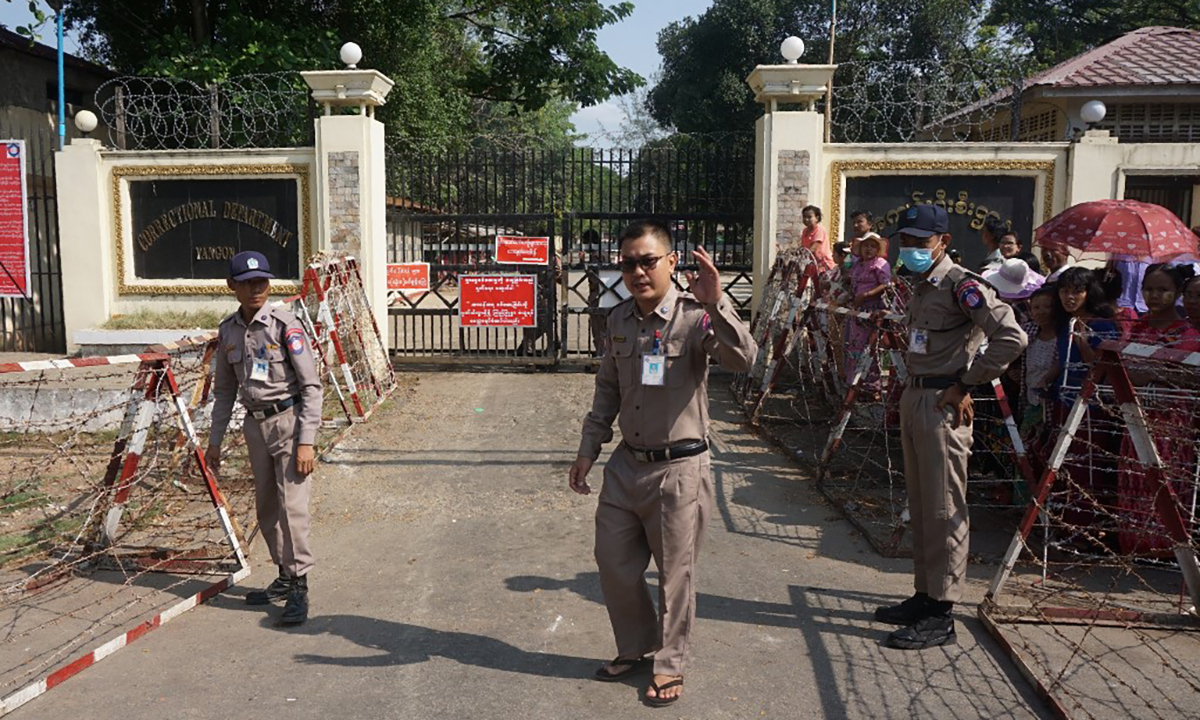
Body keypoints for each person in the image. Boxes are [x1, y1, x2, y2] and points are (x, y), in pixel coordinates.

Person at [568, 220, 756, 706]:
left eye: (647, 260)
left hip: (680, 470)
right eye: (628, 262)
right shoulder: (618, 321)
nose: (637, 271)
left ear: (672, 263)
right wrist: (589, 448)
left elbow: (744, 359)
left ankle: (670, 665)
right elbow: (608, 387)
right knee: (612, 564)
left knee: (676, 575)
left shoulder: (696, 318)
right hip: (626, 466)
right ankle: (636, 645)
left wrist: (716, 302)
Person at [874, 204, 1027, 650]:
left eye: (923, 241)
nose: (914, 248)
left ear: (943, 241)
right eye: (908, 240)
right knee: (922, 505)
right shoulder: (922, 285)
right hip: (916, 396)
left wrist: (966, 384)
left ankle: (942, 613)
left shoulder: (964, 286)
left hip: (944, 403)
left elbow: (1012, 337)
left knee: (944, 509)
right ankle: (924, 595)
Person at [206, 251, 323, 625]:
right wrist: (215, 441)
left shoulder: (284, 325)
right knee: (267, 508)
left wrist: (307, 440)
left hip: (289, 424)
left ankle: (300, 585)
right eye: (247, 283)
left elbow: (311, 386)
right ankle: (285, 575)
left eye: (262, 282)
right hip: (255, 427)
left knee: (293, 509)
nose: (256, 289)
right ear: (232, 286)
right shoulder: (227, 331)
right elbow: (224, 392)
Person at [1116, 264, 1200, 555]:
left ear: (1177, 293)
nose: (1154, 295)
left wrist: (1153, 372)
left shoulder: (1188, 333)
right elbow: (1122, 366)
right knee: (1136, 477)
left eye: (1163, 290)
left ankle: (1167, 547)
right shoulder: (1136, 328)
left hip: (1173, 422)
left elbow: (1189, 376)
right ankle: (1135, 543)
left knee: (1168, 480)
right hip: (1137, 417)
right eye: (1149, 289)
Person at [845, 235, 891, 393]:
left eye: (872, 246)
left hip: (871, 310)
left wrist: (866, 295)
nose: (868, 249)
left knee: (869, 348)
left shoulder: (880, 264)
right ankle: (854, 383)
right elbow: (853, 282)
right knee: (854, 346)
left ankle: (870, 386)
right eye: (866, 246)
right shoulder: (858, 265)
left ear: (878, 250)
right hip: (856, 311)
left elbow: (886, 284)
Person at [800, 205, 836, 273]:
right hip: (813, 263)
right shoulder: (805, 231)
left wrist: (803, 256)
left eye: (809, 217)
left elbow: (814, 247)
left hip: (824, 265)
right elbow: (803, 247)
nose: (806, 219)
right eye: (804, 217)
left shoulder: (819, 230)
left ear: (817, 218)